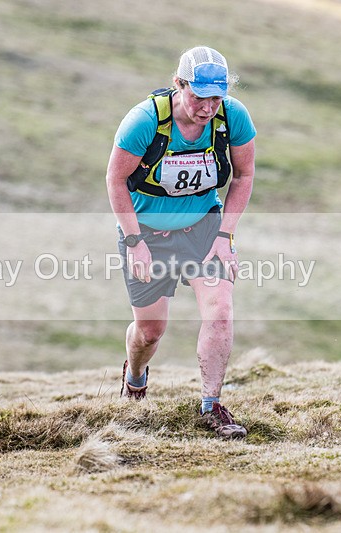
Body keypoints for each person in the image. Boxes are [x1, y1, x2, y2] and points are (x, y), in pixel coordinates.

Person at [105, 46, 256, 438]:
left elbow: (243, 176)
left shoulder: (232, 118)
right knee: (150, 331)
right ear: (179, 84)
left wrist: (226, 235)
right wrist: (134, 241)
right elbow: (115, 180)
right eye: (199, 96)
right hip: (147, 233)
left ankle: (211, 406)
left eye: (215, 97)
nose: (207, 107)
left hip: (204, 228)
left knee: (220, 310)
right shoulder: (144, 121)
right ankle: (135, 376)